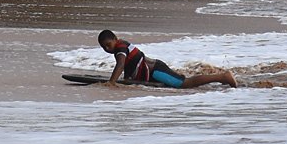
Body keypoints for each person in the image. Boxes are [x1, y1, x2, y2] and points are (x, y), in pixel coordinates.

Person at [96, 30, 237, 89]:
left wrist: (111, 82)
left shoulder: (120, 49)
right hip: (156, 68)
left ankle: (224, 77)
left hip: (156, 71)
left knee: (183, 84)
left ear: (115, 39)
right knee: (179, 80)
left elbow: (121, 65)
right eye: (104, 47)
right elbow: (130, 66)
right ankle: (221, 79)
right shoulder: (121, 46)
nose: (107, 49)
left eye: (109, 45)